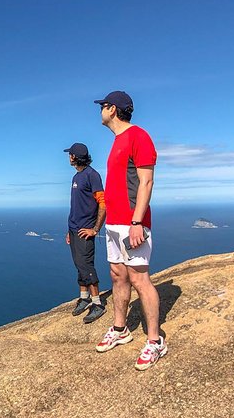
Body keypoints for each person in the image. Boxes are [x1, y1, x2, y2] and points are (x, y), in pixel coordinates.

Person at [94, 90, 166, 371]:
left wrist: (137, 222)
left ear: (112, 109)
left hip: (132, 223)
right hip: (114, 223)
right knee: (117, 275)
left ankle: (154, 341)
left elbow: (146, 182)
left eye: (102, 106)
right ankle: (120, 329)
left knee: (140, 279)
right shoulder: (117, 141)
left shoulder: (139, 136)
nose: (100, 111)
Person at [64, 142, 106, 324]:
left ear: (74, 156)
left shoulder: (92, 175)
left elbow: (103, 203)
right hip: (74, 229)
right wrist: (69, 230)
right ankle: (84, 297)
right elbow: (76, 206)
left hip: (85, 230)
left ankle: (98, 304)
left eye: (70, 154)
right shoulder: (76, 176)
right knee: (79, 265)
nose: (68, 157)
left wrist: (95, 229)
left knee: (87, 266)